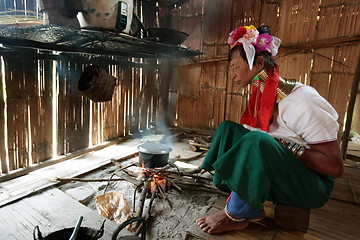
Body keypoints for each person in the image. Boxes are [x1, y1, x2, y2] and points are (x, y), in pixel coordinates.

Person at [196, 25, 343, 234]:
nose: (232, 74)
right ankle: (247, 201)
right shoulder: (261, 98)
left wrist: (286, 146)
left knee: (257, 141)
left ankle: (235, 214)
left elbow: (335, 168)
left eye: (235, 67)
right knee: (228, 129)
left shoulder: (304, 102)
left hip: (311, 185)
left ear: (258, 63)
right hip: (285, 171)